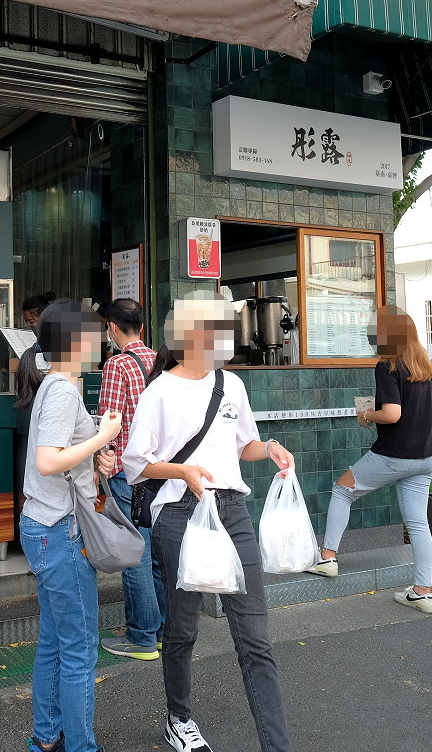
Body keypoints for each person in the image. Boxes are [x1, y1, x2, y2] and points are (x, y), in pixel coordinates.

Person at [123, 294, 297, 752]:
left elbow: (245, 446)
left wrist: (271, 448)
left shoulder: (231, 385)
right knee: (182, 628)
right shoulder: (158, 390)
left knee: (255, 638)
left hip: (231, 510)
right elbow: (135, 464)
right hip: (179, 513)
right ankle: (179, 717)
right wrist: (182, 472)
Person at [16, 300, 122, 752]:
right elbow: (47, 460)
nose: (99, 339)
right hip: (60, 529)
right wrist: (104, 436)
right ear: (75, 341)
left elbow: (58, 454)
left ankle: (47, 737)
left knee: (55, 642)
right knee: (79, 648)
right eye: (92, 332)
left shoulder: (54, 385)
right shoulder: (61, 389)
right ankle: (80, 746)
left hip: (42, 524)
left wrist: (95, 455)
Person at [307, 306, 432, 614]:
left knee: (342, 490)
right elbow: (431, 411)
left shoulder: (388, 365)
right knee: (418, 522)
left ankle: (327, 558)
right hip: (424, 457)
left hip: (394, 455)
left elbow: (393, 413)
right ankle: (423, 592)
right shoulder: (423, 366)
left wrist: (366, 414)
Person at [94, 298, 163, 660]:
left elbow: (111, 421)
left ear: (112, 327)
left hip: (127, 472)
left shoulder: (117, 364)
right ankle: (160, 627)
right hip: (160, 471)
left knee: (134, 553)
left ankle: (142, 637)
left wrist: (100, 457)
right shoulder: (160, 361)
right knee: (154, 553)